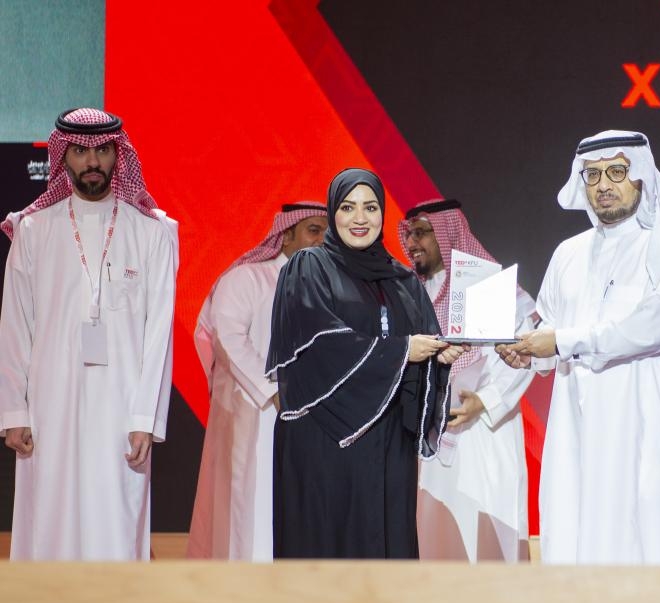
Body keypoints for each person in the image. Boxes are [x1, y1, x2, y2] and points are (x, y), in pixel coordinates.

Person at [497, 130, 660, 565]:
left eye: (617, 171)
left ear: (642, 175)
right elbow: (550, 333)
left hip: (644, 435)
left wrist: (560, 342)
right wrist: (528, 354)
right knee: (571, 547)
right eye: (592, 175)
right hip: (573, 437)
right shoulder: (568, 254)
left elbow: (653, 328)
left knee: (642, 554)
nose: (603, 185)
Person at [0, 108, 178, 561]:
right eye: (80, 151)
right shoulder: (33, 230)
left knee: (117, 518)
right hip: (49, 406)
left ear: (119, 154)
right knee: (50, 518)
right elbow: (15, 325)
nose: (92, 161)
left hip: (122, 407)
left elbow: (159, 333)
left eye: (102, 150)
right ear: (63, 157)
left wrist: (146, 418)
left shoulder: (152, 232)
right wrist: (14, 409)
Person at [265, 168, 466, 558]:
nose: (360, 218)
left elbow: (421, 350)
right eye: (348, 207)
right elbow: (320, 343)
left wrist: (436, 358)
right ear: (333, 213)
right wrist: (403, 351)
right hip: (324, 440)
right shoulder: (309, 267)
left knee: (385, 550)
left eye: (371, 208)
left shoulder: (402, 282)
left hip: (386, 443)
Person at [187, 202, 328, 561]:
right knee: (251, 502)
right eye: (314, 230)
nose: (322, 240)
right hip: (256, 412)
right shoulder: (247, 278)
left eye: (327, 233)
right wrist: (273, 391)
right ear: (287, 235)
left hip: (311, 416)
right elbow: (228, 338)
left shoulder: (327, 287)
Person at [399, 199, 536, 563]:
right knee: (430, 534)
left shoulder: (489, 286)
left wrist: (485, 401)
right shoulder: (407, 294)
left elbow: (522, 355)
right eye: (409, 233)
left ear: (449, 235)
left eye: (422, 233)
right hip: (426, 437)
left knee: (485, 535)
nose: (412, 242)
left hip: (483, 434)